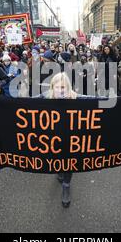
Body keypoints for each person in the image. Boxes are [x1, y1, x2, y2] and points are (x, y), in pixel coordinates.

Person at [43, 73, 78, 208]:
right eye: (57, 87)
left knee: (69, 161)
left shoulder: (76, 98)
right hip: (53, 138)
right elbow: (24, 103)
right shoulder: (46, 97)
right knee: (57, 158)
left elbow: (94, 100)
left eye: (63, 87)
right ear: (52, 87)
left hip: (71, 139)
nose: (60, 90)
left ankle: (66, 186)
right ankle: (59, 170)